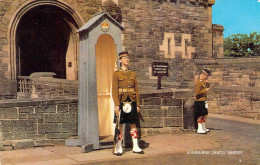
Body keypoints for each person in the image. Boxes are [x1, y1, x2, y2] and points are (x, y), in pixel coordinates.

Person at [112, 51, 144, 156]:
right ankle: (119, 147)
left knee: (133, 123)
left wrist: (138, 105)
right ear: (120, 60)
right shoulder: (116, 74)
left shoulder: (132, 73)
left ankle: (135, 146)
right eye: (125, 58)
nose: (127, 60)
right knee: (120, 125)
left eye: (127, 58)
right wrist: (116, 105)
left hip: (132, 101)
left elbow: (136, 90)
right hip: (121, 101)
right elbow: (114, 90)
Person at [194, 69, 211, 134]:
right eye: (206, 76)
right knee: (200, 115)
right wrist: (205, 90)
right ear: (202, 75)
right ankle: (199, 128)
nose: (206, 78)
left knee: (205, 114)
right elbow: (197, 92)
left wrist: (207, 84)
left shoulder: (203, 81)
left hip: (204, 100)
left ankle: (203, 127)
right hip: (199, 100)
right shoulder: (198, 82)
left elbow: (206, 87)